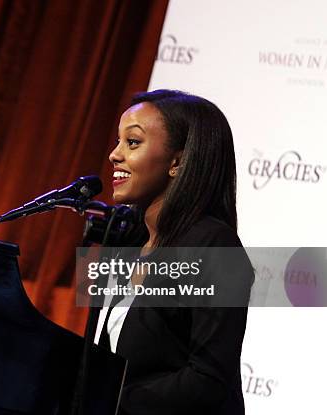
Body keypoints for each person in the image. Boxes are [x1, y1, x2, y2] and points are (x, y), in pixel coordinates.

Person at [97, 89, 254, 414]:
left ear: (177, 162)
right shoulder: (125, 238)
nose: (114, 155)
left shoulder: (212, 244)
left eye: (133, 142)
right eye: (118, 141)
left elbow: (207, 379)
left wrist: (109, 401)